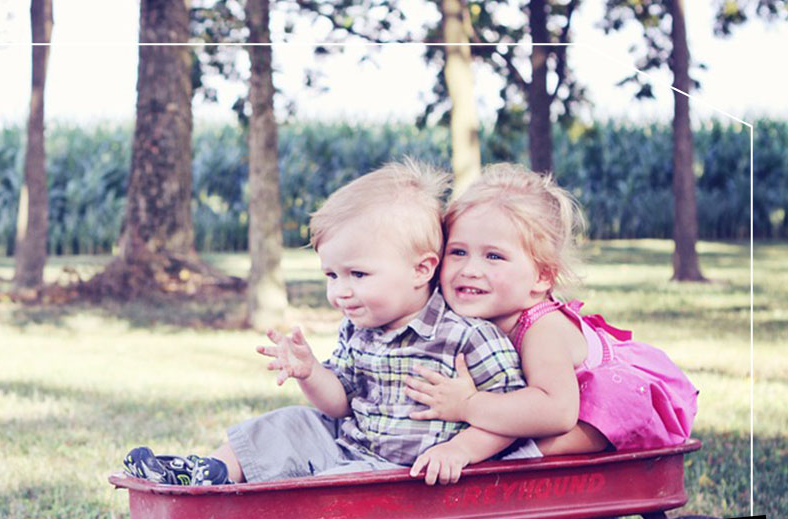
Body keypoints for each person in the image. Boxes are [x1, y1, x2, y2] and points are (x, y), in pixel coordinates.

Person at [123, 159, 537, 487]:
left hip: (402, 473)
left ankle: (245, 500)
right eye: (331, 275)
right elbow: (339, 403)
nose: (341, 291)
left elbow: (510, 418)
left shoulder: (466, 336)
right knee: (289, 422)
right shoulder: (358, 327)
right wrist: (311, 373)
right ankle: (209, 472)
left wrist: (460, 450)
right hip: (350, 445)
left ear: (421, 269)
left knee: (325, 488)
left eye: (357, 275)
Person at [404, 163, 697, 456]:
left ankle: (522, 456)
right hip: (556, 402)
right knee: (507, 424)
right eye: (458, 252)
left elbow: (556, 411)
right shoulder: (470, 316)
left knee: (538, 436)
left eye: (494, 256)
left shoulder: (542, 330)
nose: (470, 269)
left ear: (542, 277)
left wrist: (468, 406)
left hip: (616, 405)